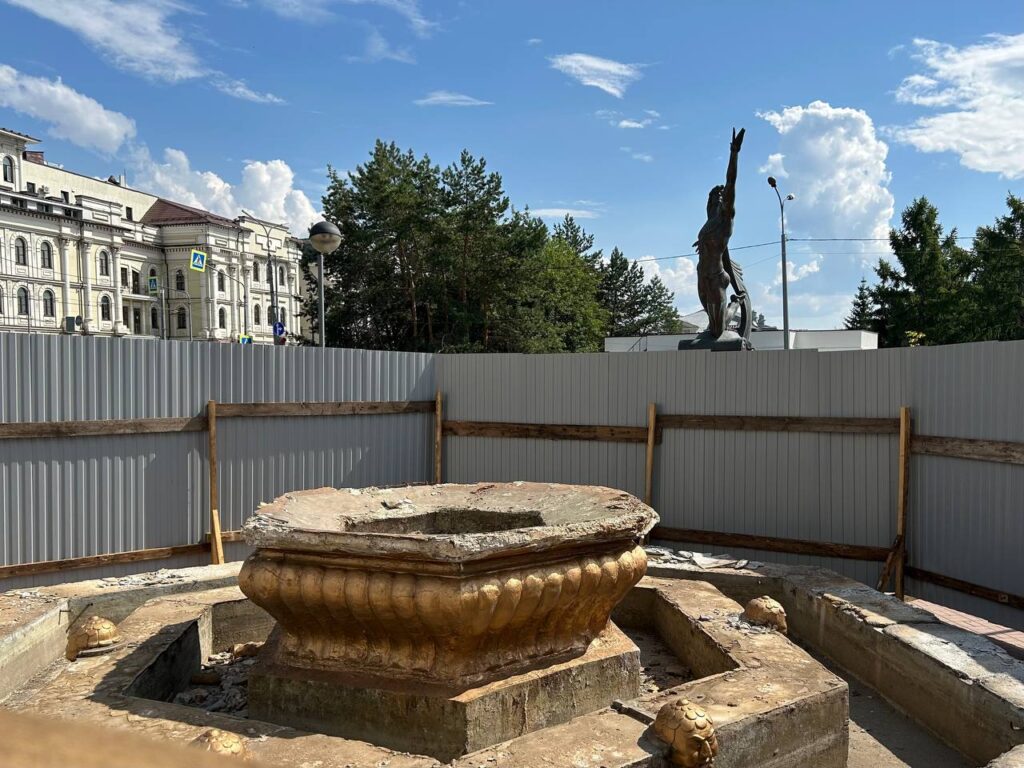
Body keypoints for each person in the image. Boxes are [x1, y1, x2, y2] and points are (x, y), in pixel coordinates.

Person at [694, 128, 747, 339]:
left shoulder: (725, 220)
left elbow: (731, 181)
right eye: (713, 197)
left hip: (717, 277)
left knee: (718, 330)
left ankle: (736, 303)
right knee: (712, 326)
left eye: (720, 197)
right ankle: (722, 318)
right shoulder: (709, 221)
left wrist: (734, 153)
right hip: (702, 274)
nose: (717, 198)